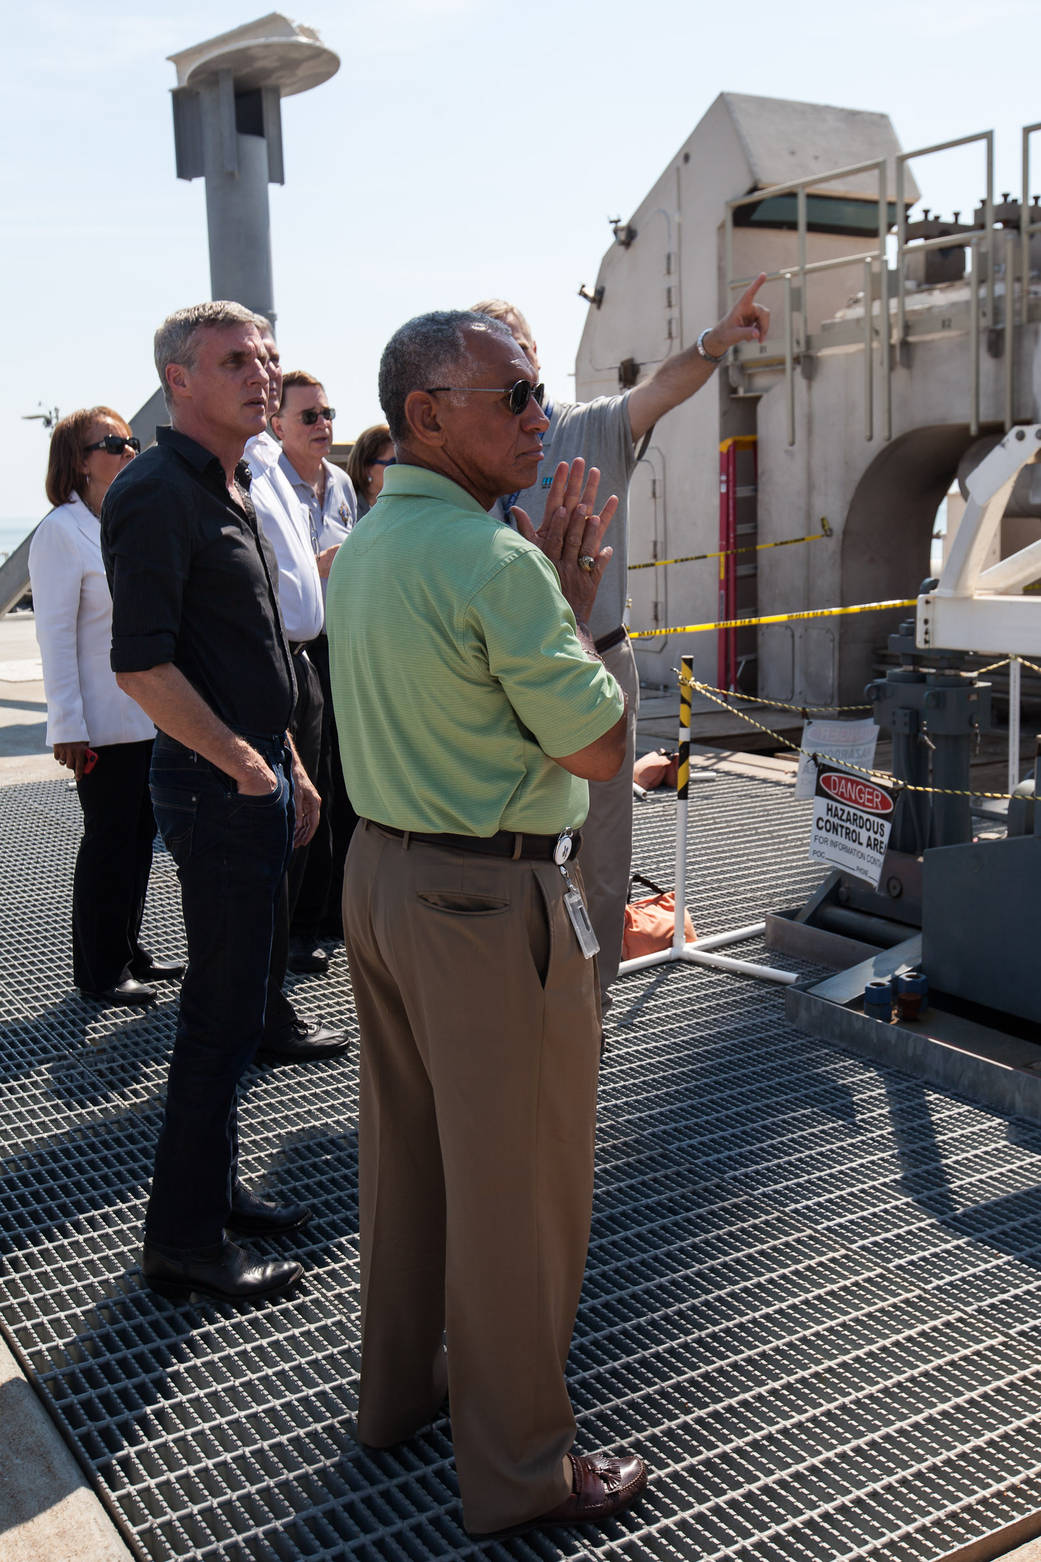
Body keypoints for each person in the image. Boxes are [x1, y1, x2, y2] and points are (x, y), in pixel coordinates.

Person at [326, 309, 647, 1537]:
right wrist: (570, 604)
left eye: (535, 394)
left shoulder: (371, 539)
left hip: (386, 877)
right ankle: (521, 1467)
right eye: (510, 394)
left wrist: (544, 596)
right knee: (519, 1189)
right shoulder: (493, 560)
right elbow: (600, 743)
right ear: (427, 415)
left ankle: (399, 1394)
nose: (537, 418)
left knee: (408, 1161)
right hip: (485, 896)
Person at [101, 300, 324, 1305]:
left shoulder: (232, 481)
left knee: (236, 1013)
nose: (262, 372)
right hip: (216, 788)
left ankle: (213, 1191)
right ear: (178, 378)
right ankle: (184, 1240)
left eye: (268, 356)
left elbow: (243, 648)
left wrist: (287, 757)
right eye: (236, 358)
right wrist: (243, 762)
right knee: (220, 1016)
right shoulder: (155, 492)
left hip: (257, 777)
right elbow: (142, 665)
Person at [471, 281, 769, 999]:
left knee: (600, 848)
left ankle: (591, 1004)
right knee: (500, 847)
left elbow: (662, 388)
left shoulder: (588, 426)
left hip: (592, 658)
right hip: (490, 678)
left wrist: (715, 342)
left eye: (518, 365)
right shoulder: (463, 461)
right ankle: (511, 999)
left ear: (535, 363)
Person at [29, 408, 183, 1008]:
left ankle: (130, 951)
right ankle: (99, 970)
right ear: (78, 459)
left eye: (131, 441)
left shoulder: (116, 522)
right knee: (110, 843)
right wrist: (66, 725)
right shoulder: (60, 531)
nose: (127, 451)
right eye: (113, 443)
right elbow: (55, 636)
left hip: (146, 717)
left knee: (139, 839)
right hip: (100, 725)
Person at [271, 372, 359, 955]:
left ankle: (333, 912)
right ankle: (299, 926)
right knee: (308, 787)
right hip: (293, 652)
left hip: (342, 648)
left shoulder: (343, 484)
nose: (323, 424)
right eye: (309, 416)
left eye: (327, 413)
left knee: (343, 783)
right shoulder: (269, 485)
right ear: (277, 425)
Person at [345, 422, 394, 517]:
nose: (400, 469)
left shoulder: (407, 509)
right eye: (393, 463)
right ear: (366, 468)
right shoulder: (347, 511)